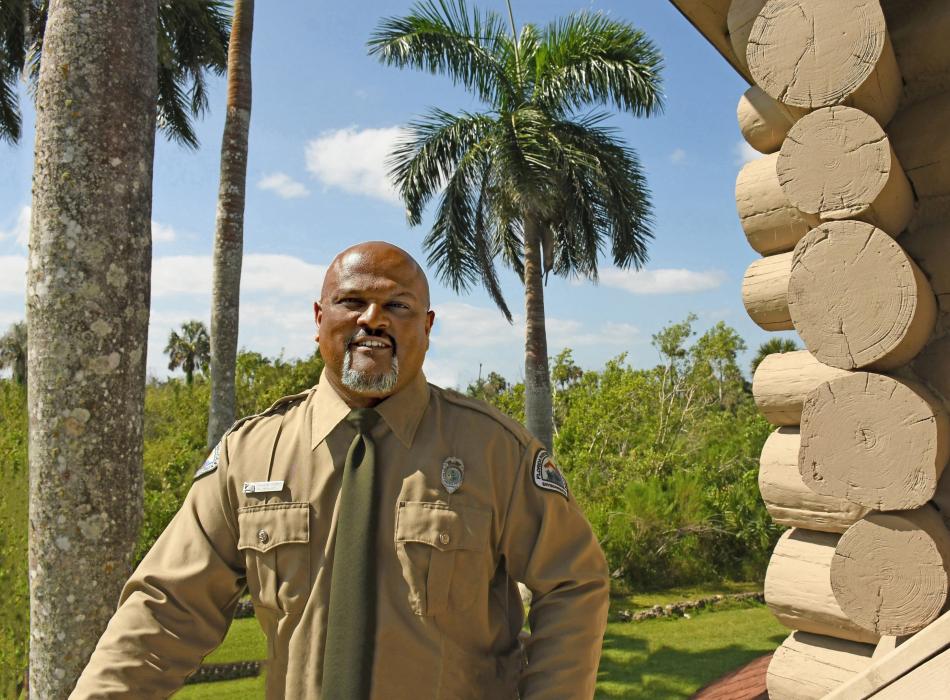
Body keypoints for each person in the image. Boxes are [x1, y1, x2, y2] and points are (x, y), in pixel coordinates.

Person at [71, 241, 610, 699]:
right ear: (318, 319)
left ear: (427, 327)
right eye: (352, 301)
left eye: (397, 306)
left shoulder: (496, 451)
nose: (372, 318)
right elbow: (165, 609)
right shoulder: (251, 453)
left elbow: (573, 582)